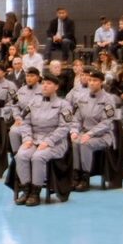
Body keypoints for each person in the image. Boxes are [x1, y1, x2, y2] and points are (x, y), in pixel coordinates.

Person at [14, 73, 73, 206]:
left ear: (56, 87)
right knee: (21, 155)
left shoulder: (63, 105)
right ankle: (26, 190)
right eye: (43, 83)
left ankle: (35, 192)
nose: (45, 86)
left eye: (49, 83)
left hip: (55, 142)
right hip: (34, 139)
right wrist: (27, 138)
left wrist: (48, 141)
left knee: (38, 157)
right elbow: (25, 122)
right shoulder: (33, 102)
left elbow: (64, 127)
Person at [70, 70, 116, 192]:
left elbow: (107, 122)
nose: (91, 83)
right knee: (74, 142)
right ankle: (76, 175)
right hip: (84, 132)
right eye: (90, 80)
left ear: (101, 82)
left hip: (103, 135)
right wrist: (74, 131)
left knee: (85, 143)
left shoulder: (108, 99)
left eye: (95, 80)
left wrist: (90, 134)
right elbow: (77, 118)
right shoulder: (82, 98)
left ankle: (85, 177)